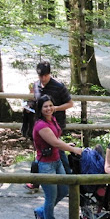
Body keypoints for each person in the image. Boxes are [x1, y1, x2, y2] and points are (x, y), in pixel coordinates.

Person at [32, 94, 83, 219]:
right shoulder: (41, 125)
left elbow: (56, 138)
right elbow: (54, 142)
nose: (48, 108)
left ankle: (41, 211)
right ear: (40, 109)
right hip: (45, 165)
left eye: (50, 105)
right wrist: (74, 150)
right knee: (51, 196)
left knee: (64, 190)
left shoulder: (52, 119)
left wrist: (67, 145)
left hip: (56, 160)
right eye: (45, 106)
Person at [26, 61, 74, 190]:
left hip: (56, 123)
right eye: (40, 76)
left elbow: (70, 103)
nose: (43, 78)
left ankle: (69, 180)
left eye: (45, 75)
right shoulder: (36, 85)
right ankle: (37, 181)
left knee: (57, 150)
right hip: (41, 125)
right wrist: (29, 106)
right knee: (42, 152)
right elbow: (36, 102)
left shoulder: (59, 86)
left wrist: (54, 108)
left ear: (49, 74)